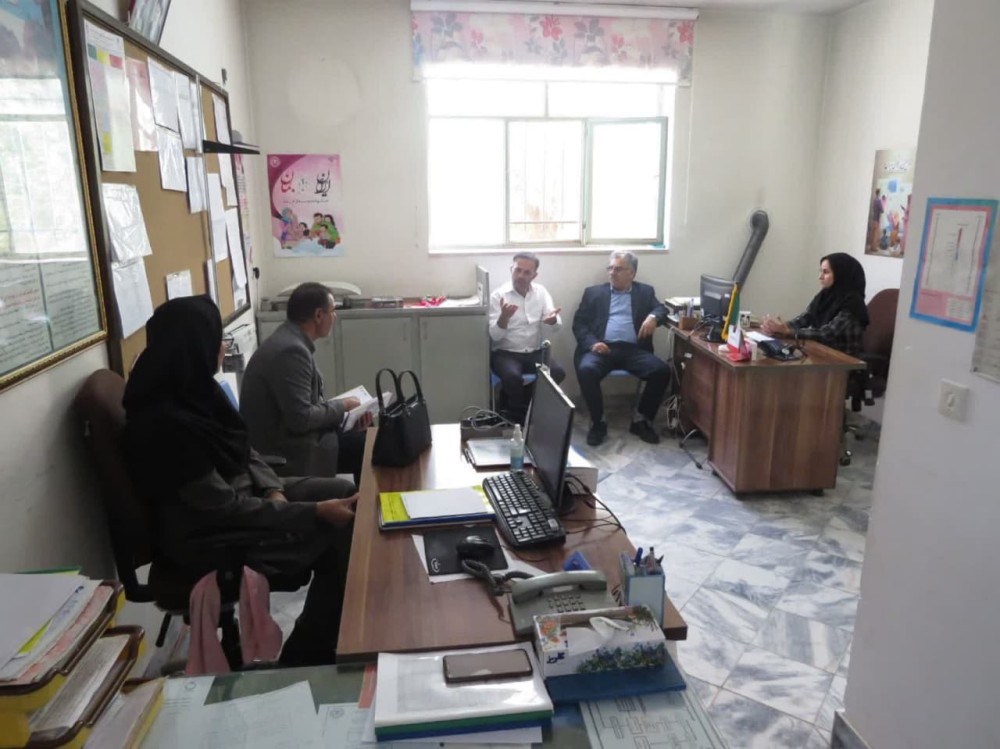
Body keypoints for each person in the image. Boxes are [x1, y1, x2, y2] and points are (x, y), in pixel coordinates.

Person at [122, 296, 357, 666]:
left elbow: (245, 449)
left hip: (244, 496)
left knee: (345, 492)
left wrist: (273, 488)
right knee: (341, 532)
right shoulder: (164, 425)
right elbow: (223, 509)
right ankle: (309, 653)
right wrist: (311, 512)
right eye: (217, 340)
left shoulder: (197, 391)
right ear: (195, 346)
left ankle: (318, 635)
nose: (222, 349)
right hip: (213, 536)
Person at [240, 282, 369, 484]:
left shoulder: (290, 340)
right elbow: (300, 419)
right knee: (368, 446)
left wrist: (345, 417)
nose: (335, 317)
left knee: (365, 435)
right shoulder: (291, 351)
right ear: (318, 315)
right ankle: (363, 503)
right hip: (285, 453)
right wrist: (342, 407)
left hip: (291, 437)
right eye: (332, 311)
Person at [572, 250, 672, 446]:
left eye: (618, 269)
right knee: (586, 370)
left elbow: (662, 309)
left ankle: (641, 420)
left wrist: (653, 317)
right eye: (610, 268)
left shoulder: (645, 292)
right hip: (602, 348)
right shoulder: (593, 293)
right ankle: (598, 422)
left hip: (634, 350)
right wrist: (592, 343)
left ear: (632, 273)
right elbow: (579, 323)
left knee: (662, 371)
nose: (612, 272)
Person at [489, 252, 565, 424]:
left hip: (533, 351)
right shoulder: (498, 295)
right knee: (513, 377)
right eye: (517, 270)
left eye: (526, 272)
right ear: (511, 269)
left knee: (558, 372)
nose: (521, 276)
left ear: (534, 275)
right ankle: (519, 417)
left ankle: (522, 403)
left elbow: (556, 324)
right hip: (505, 352)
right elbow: (494, 336)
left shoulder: (541, 292)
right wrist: (503, 318)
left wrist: (553, 320)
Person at [761, 252, 869, 356]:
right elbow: (805, 318)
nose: (820, 277)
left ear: (841, 274)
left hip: (844, 361)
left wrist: (788, 332)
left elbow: (826, 334)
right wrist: (780, 327)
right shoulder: (825, 295)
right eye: (820, 271)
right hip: (822, 352)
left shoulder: (853, 303)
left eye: (826, 272)